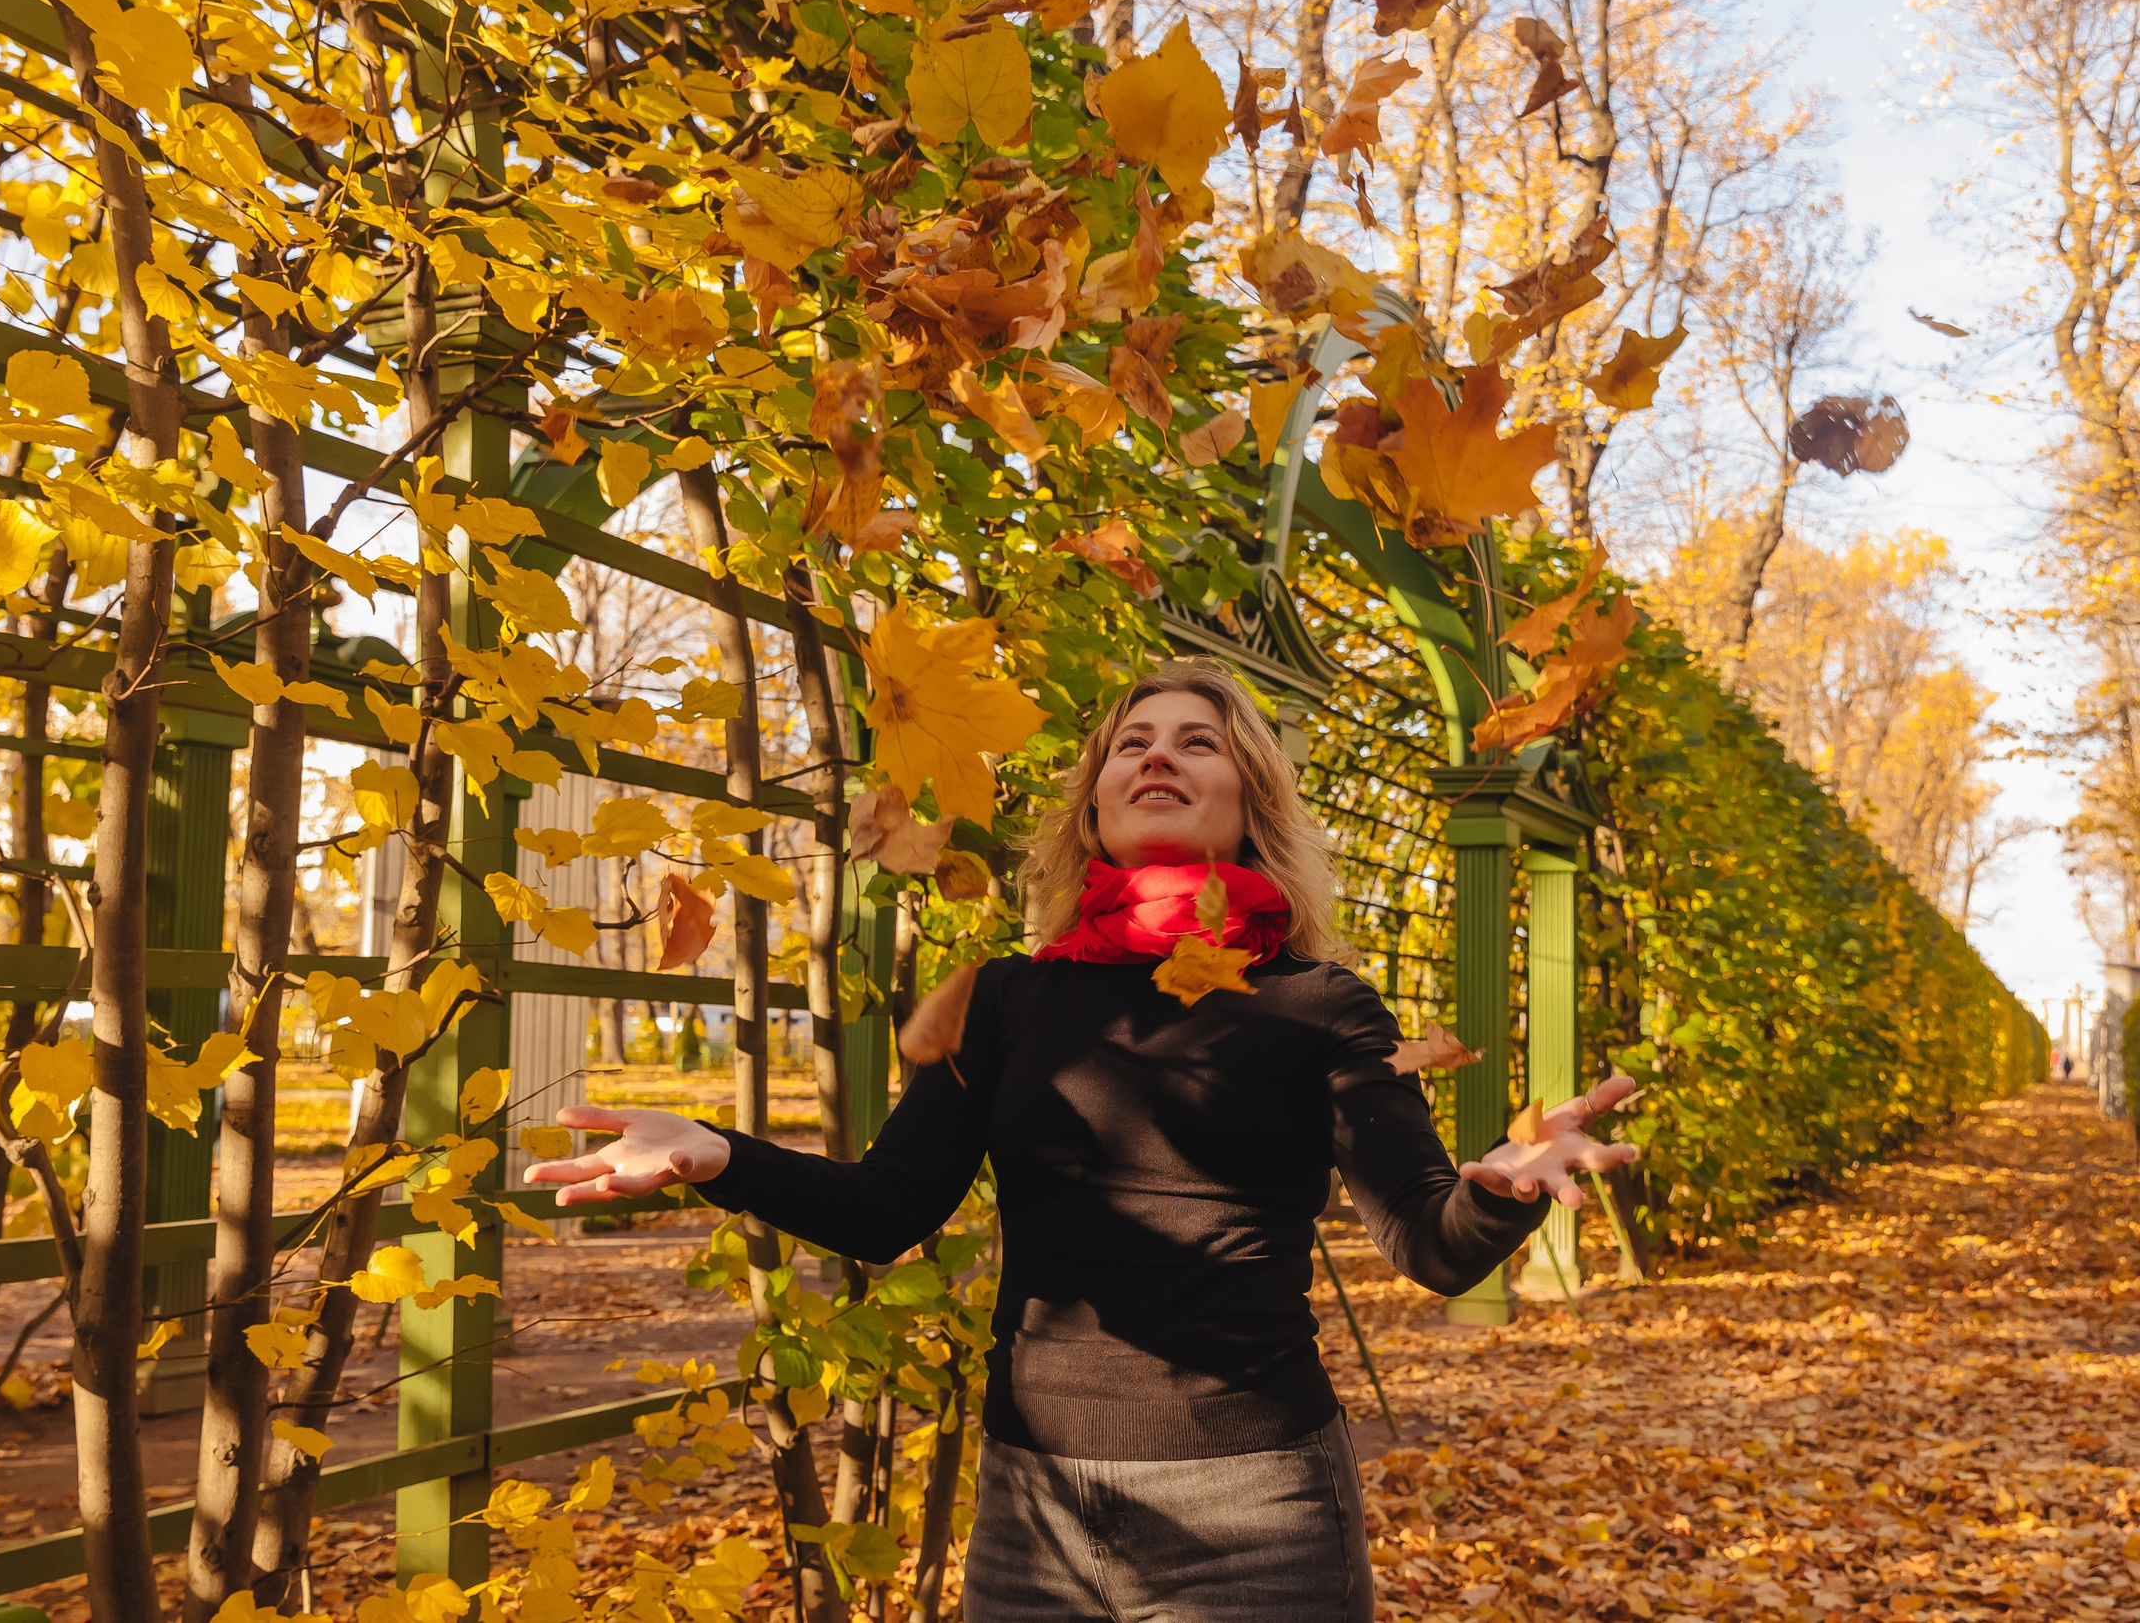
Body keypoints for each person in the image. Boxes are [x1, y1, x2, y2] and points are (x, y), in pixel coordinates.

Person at [529, 658, 1638, 1622]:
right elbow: (887, 1211)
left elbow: (1429, 1245)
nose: (1156, 758)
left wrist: (1501, 1189)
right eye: (1130, 745)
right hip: (1034, 1510)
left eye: (1196, 743)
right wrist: (720, 1155)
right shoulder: (1001, 1000)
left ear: (1248, 797)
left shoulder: (1319, 1006)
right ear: (1093, 803)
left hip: (1254, 1510)